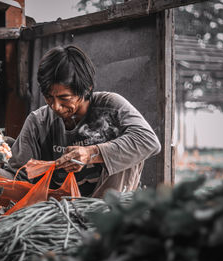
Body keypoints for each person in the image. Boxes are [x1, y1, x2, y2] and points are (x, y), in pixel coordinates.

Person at [8, 45, 161, 197]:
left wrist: (92, 153)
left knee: (129, 147)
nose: (56, 107)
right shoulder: (38, 122)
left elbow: (149, 141)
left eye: (64, 98)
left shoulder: (111, 106)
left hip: (109, 207)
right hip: (60, 210)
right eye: (48, 97)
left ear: (87, 89)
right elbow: (18, 175)